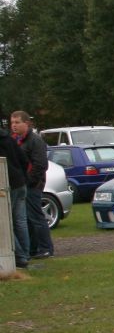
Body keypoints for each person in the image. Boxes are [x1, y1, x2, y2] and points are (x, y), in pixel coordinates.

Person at [9, 110, 54, 259]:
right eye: (12, 122)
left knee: (36, 216)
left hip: (33, 184)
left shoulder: (35, 140)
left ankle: (46, 247)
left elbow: (40, 164)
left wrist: (28, 181)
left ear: (27, 123)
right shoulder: (14, 140)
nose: (14, 125)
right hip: (20, 184)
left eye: (17, 122)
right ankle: (32, 248)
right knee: (26, 219)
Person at [1, 124, 31, 268]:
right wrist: (22, 176)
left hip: (6, 184)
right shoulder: (8, 138)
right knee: (20, 221)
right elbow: (24, 160)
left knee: (5, 222)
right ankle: (25, 254)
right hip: (20, 182)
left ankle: (20, 257)